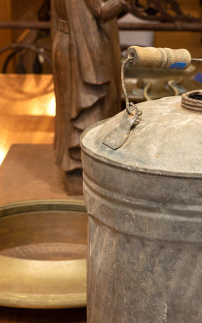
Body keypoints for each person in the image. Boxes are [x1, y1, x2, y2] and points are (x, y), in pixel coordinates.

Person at [51, 0, 126, 185]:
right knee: (90, 120)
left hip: (70, 41)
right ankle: (85, 171)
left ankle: (83, 167)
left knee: (75, 116)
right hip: (81, 49)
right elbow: (101, 11)